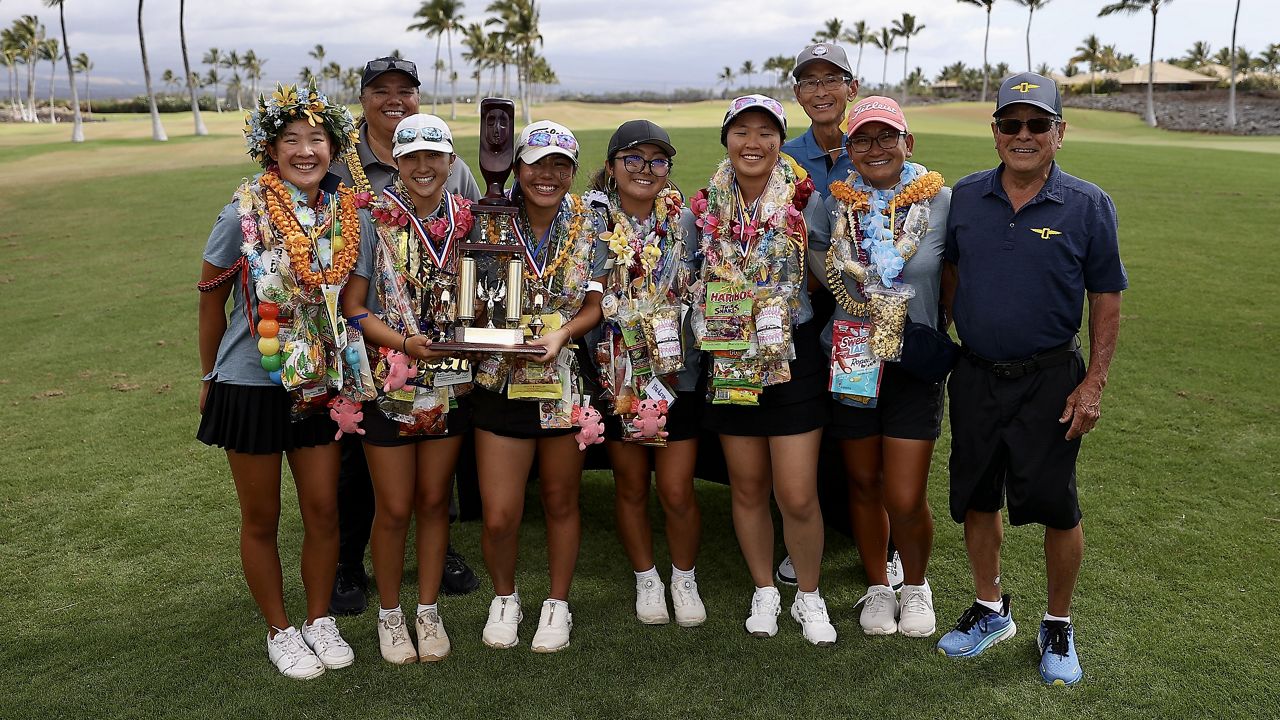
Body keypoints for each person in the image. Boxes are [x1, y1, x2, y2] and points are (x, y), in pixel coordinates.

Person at [935, 73, 1126, 686]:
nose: (1023, 135)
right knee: (976, 494)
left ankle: (1058, 623)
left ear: (1059, 134)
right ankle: (991, 608)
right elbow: (950, 275)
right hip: (975, 373)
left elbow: (1106, 299)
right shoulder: (963, 197)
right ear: (994, 134)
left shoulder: (1089, 205)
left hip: (1050, 377)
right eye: (1010, 124)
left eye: (1037, 124)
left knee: (1055, 504)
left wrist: (1093, 383)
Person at [197, 82, 370, 679]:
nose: (304, 150)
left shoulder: (350, 217)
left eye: (316, 139)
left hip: (320, 383)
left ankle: (319, 618)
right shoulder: (239, 213)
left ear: (334, 148)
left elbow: (352, 304)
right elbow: (209, 303)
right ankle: (281, 628)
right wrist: (208, 374)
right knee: (263, 517)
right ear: (270, 150)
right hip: (251, 383)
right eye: (290, 139)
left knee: (324, 511)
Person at [327, 56, 482, 615]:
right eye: (411, 155)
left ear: (449, 160)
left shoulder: (466, 206)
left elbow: (488, 284)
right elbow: (353, 305)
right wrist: (403, 342)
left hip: (449, 377)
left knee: (436, 498)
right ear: (396, 160)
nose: (423, 165)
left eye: (434, 156)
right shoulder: (368, 206)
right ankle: (377, 596)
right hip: (387, 377)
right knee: (388, 501)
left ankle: (428, 605)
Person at [683, 95, 835, 646]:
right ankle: (764, 589)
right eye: (742, 131)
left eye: (766, 132)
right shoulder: (701, 207)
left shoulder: (808, 199)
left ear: (780, 140)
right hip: (728, 363)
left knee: (796, 494)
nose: (754, 142)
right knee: (746, 488)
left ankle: (810, 597)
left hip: (791, 357)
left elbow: (828, 266)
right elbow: (687, 275)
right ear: (726, 139)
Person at [807, 96, 950, 638]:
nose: (875, 148)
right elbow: (816, 268)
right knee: (863, 482)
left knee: (905, 494)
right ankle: (877, 586)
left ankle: (915, 586)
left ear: (907, 144)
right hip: (852, 357)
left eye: (887, 137)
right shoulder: (831, 204)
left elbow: (953, 272)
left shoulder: (942, 201)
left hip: (912, 360)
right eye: (862, 139)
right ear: (848, 151)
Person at [469, 120, 607, 653]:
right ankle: (504, 596)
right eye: (535, 163)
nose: (546, 175)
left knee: (560, 500)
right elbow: (474, 298)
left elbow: (594, 305)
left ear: (572, 172)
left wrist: (562, 333)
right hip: (501, 379)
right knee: (501, 513)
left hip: (563, 380)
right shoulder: (492, 220)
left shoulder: (592, 224)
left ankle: (557, 603)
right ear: (516, 167)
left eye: (559, 165)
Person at [776, 41, 905, 593]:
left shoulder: (874, 146)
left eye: (833, 80)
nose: (821, 91)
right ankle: (811, 529)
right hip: (805, 310)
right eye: (809, 81)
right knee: (816, 424)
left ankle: (888, 539)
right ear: (799, 94)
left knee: (875, 427)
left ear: (852, 88)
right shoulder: (787, 158)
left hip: (874, 310)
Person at [585, 120, 706, 627]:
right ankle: (646, 577)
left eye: (657, 160)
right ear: (611, 168)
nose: (644, 170)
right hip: (617, 375)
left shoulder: (688, 223)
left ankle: (684, 575)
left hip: (678, 373)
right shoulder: (590, 224)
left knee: (677, 489)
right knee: (631, 486)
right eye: (632, 159)